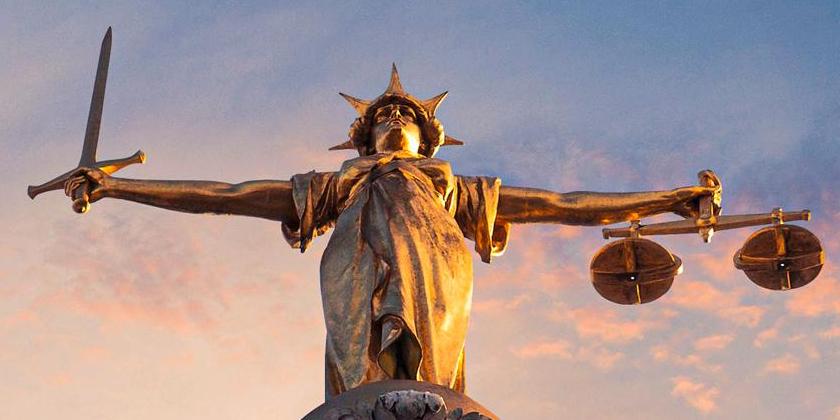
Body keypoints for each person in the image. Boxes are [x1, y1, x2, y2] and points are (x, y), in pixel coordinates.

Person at [64, 65, 717, 398]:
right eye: (384, 115)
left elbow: (559, 202)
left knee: (426, 379)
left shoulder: (449, 186)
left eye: (405, 114)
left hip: (436, 271)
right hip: (352, 271)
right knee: (366, 378)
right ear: (364, 134)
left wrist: (667, 198)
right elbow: (231, 196)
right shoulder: (339, 185)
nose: (395, 117)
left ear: (427, 138)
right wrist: (120, 187)